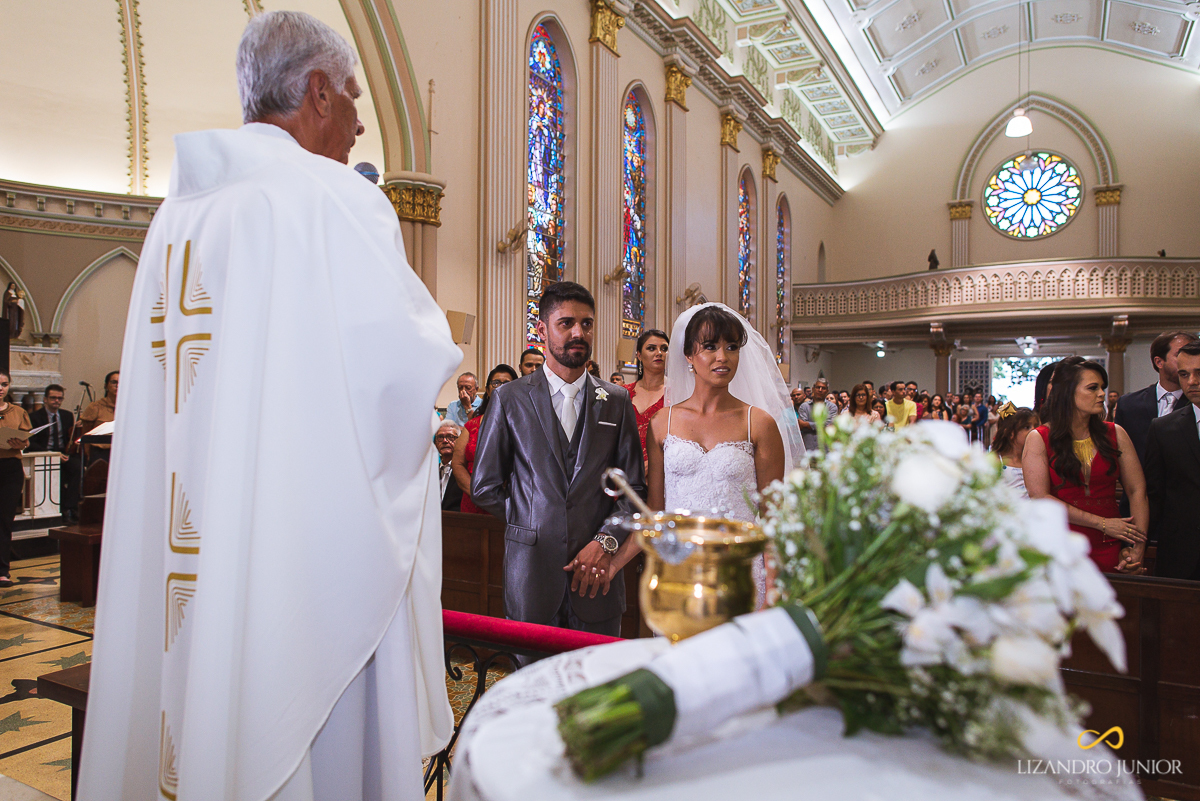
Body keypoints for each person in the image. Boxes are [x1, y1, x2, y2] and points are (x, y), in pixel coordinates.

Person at [77, 12, 462, 801]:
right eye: (352, 97)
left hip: (194, 542)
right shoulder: (335, 199)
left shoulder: (177, 216)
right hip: (300, 564)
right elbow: (406, 378)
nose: (359, 123)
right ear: (317, 92)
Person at [471, 282, 645, 636]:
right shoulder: (509, 399)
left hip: (597, 577)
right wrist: (533, 520)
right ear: (542, 330)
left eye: (587, 324)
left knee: (599, 671)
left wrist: (605, 541)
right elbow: (484, 486)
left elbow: (634, 490)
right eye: (566, 323)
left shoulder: (616, 400)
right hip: (531, 574)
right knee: (533, 670)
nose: (578, 333)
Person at [610, 303, 804, 606]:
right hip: (680, 575)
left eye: (732, 347)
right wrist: (611, 564)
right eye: (710, 346)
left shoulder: (758, 423)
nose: (722, 357)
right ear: (689, 355)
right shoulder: (663, 422)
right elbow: (655, 513)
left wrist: (774, 592)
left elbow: (773, 519)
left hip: (740, 574)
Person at [1024, 359, 1147, 574]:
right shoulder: (1039, 437)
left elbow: (1137, 491)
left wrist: (1137, 547)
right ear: (1068, 392)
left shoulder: (1115, 433)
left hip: (1110, 543)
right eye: (1092, 388)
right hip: (1061, 543)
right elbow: (1040, 497)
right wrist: (1103, 523)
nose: (1101, 394)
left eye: (1102, 388)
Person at [1143, 341, 1200, 579]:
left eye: (1199, 373)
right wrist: (1139, 546)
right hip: (1181, 554)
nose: (1192, 382)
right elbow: (1154, 495)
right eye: (1184, 374)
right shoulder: (1163, 428)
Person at [1115, 331, 1199, 466]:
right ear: (1159, 362)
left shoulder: (1196, 403)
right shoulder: (1128, 404)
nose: (1187, 359)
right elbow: (1119, 454)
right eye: (1180, 353)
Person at [452, 364, 517, 514]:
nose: (501, 387)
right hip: (473, 501)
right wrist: (477, 493)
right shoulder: (472, 425)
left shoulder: (524, 424)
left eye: (507, 383)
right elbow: (458, 463)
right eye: (496, 383)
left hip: (509, 505)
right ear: (487, 390)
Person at [29, 383, 80, 522]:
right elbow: (31, 442)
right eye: (53, 398)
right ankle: (62, 509)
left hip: (63, 453)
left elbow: (69, 438)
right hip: (44, 454)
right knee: (55, 473)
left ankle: (70, 507)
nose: (56, 401)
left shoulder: (67, 415)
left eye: (60, 398)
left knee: (77, 467)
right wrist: (51, 454)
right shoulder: (34, 417)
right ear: (45, 399)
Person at [0, 372, 30, 587]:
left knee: (4, 521)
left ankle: (2, 571)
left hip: (10, 468)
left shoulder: (18, 412)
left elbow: (26, 439)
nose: (0, 388)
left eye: (4, 384)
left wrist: (22, 443)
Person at [625, 328, 669, 463]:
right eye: (651, 348)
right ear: (639, 355)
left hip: (663, 468)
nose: (659, 353)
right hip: (625, 467)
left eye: (664, 349)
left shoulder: (677, 393)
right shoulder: (623, 393)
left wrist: (653, 465)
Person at [991, 403, 1038, 498]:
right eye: (1027, 427)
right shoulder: (997, 461)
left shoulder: (1037, 459)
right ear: (1010, 433)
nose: (1034, 431)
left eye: (1036, 426)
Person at [79, 370, 118, 464]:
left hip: (121, 452)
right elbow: (86, 433)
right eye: (114, 382)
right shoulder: (95, 407)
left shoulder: (129, 408)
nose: (118, 385)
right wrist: (87, 455)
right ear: (106, 386)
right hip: (100, 453)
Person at [797, 378, 836, 451]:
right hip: (808, 448)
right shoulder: (804, 406)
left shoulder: (832, 407)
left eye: (823, 388)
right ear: (813, 389)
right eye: (818, 387)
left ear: (827, 391)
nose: (820, 390)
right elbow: (801, 426)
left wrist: (806, 424)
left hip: (825, 449)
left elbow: (828, 426)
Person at [435, 420, 463, 512]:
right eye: (440, 437)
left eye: (450, 437)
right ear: (435, 443)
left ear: (460, 441)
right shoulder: (431, 471)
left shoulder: (465, 471)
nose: (445, 441)